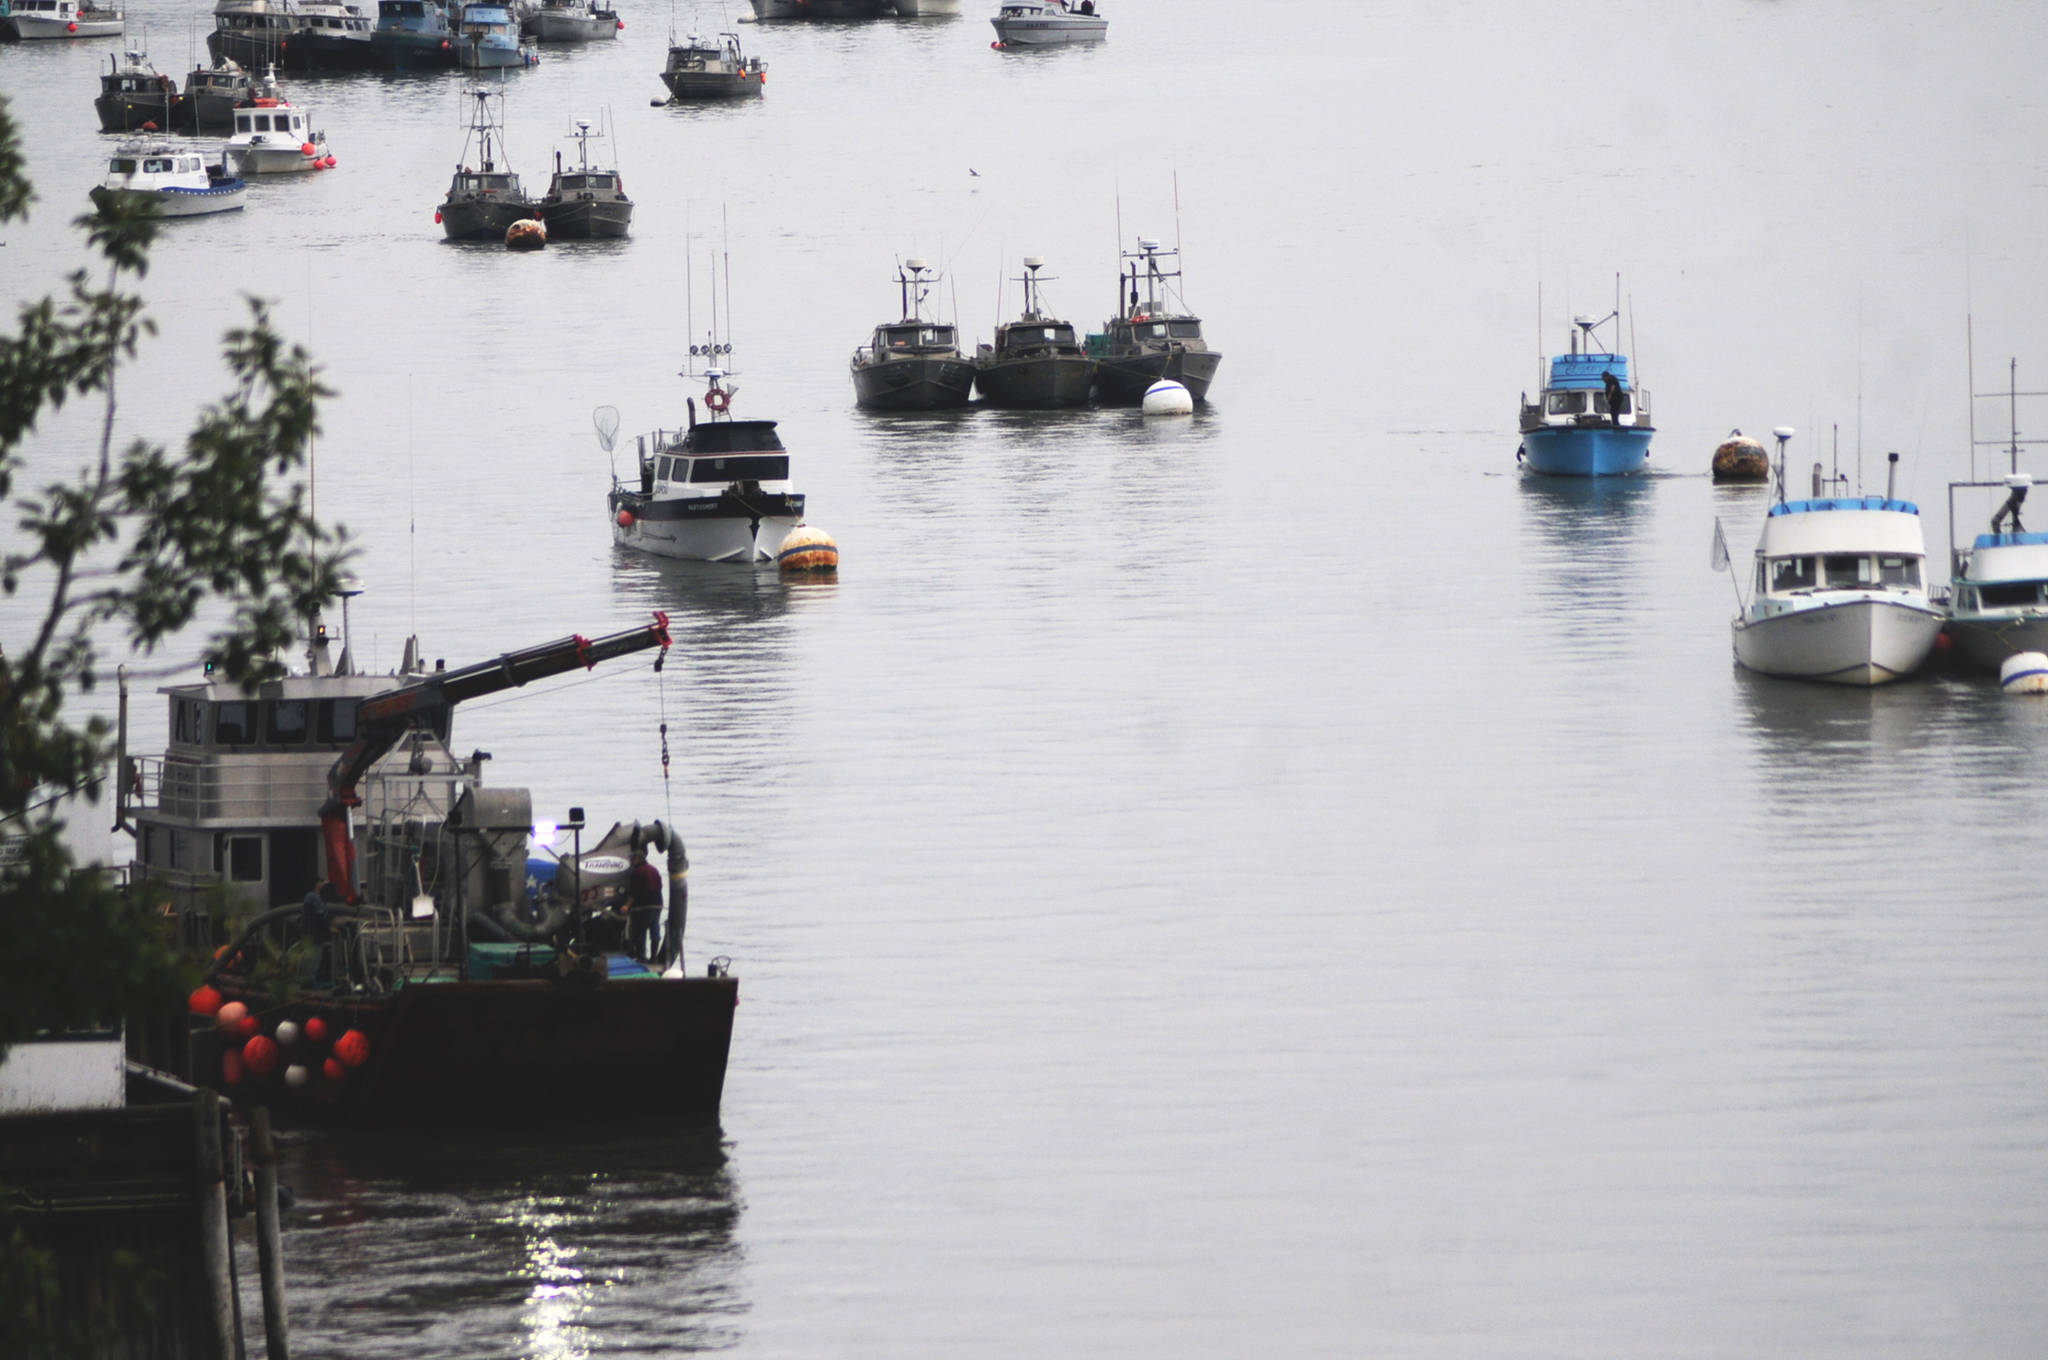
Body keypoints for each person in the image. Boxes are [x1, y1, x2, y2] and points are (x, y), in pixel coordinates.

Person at [625, 848, 663, 963]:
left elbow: (634, 892)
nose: (631, 861)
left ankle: (641, 957)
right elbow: (660, 886)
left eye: (632, 858)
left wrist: (626, 906)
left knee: (640, 931)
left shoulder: (637, 872)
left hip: (643, 906)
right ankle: (654, 957)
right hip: (657, 905)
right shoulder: (654, 869)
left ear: (637, 859)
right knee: (654, 930)